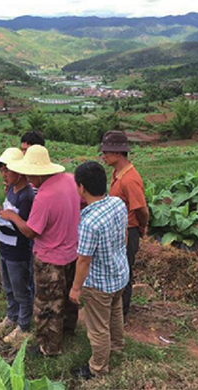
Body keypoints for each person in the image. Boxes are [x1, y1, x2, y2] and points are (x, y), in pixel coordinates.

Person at [0, 145, 79, 356]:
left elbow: (31, 231)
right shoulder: (69, 180)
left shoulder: (44, 196)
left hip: (50, 257)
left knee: (48, 305)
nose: (26, 176)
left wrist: (12, 216)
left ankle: (49, 347)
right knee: (67, 298)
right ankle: (68, 331)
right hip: (71, 251)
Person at [69, 161, 129, 380]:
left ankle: (97, 368)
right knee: (115, 312)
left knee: (97, 327)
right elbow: (122, 236)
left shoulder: (89, 222)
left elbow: (83, 260)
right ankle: (117, 347)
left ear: (81, 188)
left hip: (99, 284)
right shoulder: (117, 203)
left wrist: (76, 288)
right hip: (119, 274)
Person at [0, 148, 34, 344]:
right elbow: (9, 216)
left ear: (20, 171)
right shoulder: (13, 191)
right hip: (5, 246)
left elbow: (26, 228)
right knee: (8, 286)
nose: (3, 174)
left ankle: (23, 326)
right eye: (1, 170)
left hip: (18, 251)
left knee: (21, 289)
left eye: (8, 170)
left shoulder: (27, 196)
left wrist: (8, 218)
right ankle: (11, 317)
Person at [100, 130, 149, 321]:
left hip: (129, 231)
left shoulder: (130, 179)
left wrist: (142, 227)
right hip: (120, 230)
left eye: (106, 152)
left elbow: (142, 209)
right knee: (118, 270)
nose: (103, 156)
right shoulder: (117, 174)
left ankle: (122, 315)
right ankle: (116, 312)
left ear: (118, 153)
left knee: (124, 273)